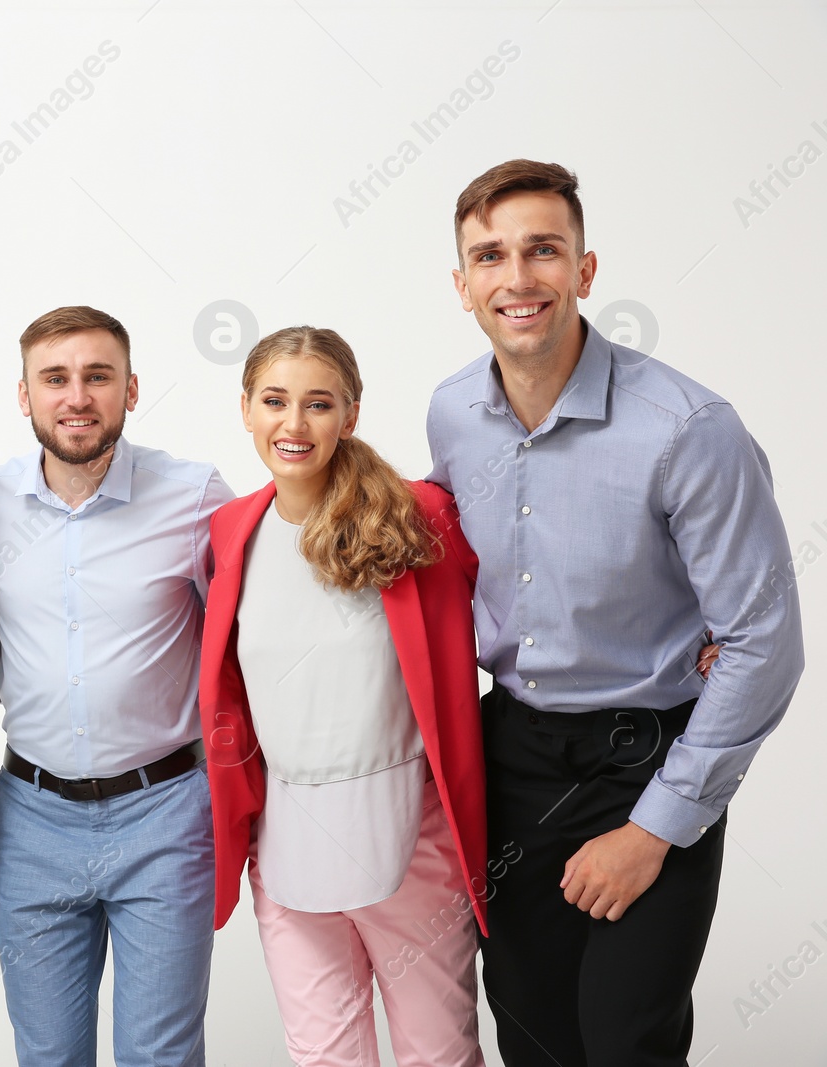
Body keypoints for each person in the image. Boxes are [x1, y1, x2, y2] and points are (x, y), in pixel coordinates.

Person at [428, 159, 806, 1066]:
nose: (517, 279)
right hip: (510, 757)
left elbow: (765, 644)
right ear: (463, 284)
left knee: (626, 1040)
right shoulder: (452, 413)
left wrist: (652, 830)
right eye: (491, 257)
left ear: (585, 271)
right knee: (530, 1032)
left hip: (647, 759)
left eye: (543, 250)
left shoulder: (686, 426)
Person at [202, 326, 487, 1066]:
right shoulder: (231, 529)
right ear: (245, 410)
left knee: (438, 1051)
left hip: (407, 826)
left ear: (350, 414)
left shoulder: (418, 515)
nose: (293, 425)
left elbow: (527, 598)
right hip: (287, 833)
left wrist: (687, 637)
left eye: (317, 404)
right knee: (323, 1052)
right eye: (275, 401)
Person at [0, 305, 234, 1067]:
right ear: (24, 394)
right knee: (47, 1056)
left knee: (160, 1055)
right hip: (33, 818)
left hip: (167, 813)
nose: (76, 396)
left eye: (97, 376)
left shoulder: (192, 495)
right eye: (55, 378)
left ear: (131, 388)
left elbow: (250, 640)